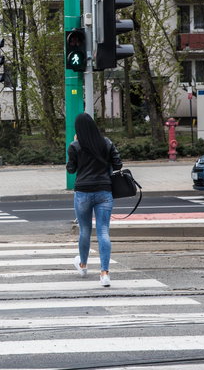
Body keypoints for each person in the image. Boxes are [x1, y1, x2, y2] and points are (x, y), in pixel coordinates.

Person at [66, 112, 122, 287]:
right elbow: (118, 164)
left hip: (83, 192)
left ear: (78, 129)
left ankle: (83, 265)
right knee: (103, 230)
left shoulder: (75, 146)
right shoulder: (106, 143)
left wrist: (75, 145)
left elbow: (71, 170)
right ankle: (104, 273)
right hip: (104, 191)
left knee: (84, 229)